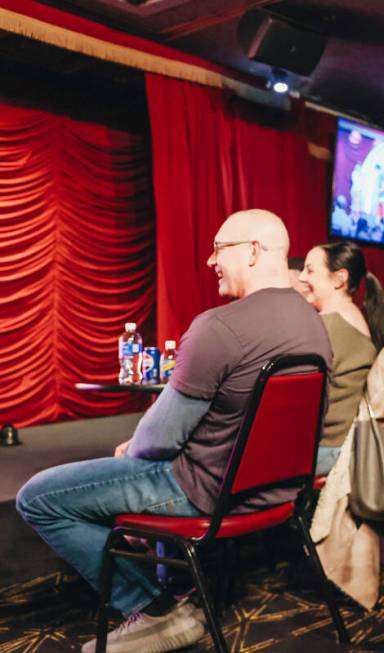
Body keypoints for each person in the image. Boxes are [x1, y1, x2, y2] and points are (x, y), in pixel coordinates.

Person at [17, 209, 333, 653]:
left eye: (219, 249)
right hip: (277, 494)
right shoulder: (312, 325)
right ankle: (177, 582)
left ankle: (156, 609)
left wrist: (132, 450)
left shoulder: (218, 327)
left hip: (206, 491)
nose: (210, 260)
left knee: (38, 497)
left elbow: (157, 440)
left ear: (254, 251)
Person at [299, 240, 384, 476]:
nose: (300, 277)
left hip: (325, 449)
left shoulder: (328, 325)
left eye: (309, 270)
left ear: (339, 279)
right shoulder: (357, 319)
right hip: (343, 445)